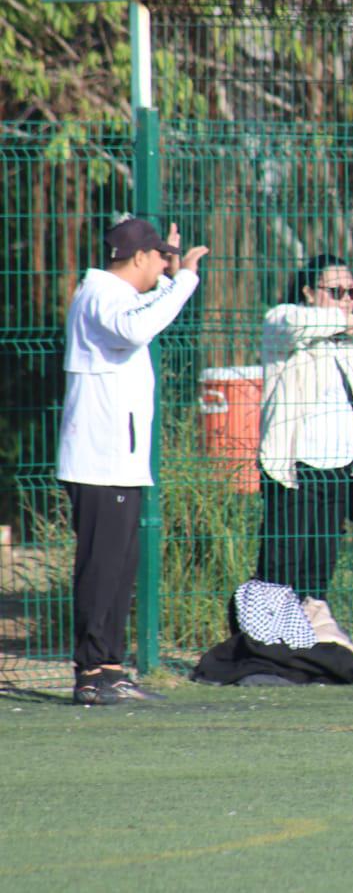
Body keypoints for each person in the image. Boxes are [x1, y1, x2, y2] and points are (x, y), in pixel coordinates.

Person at [57, 217, 209, 705]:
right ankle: (92, 673)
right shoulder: (102, 294)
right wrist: (183, 280)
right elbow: (139, 325)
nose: (165, 264)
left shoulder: (117, 296)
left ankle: (111, 668)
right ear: (138, 257)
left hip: (117, 460)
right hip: (99, 460)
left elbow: (145, 310)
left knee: (119, 568)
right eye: (158, 257)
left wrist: (171, 279)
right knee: (101, 569)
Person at [254, 255, 353, 601]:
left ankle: (307, 639)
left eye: (351, 292)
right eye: (335, 291)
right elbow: (298, 325)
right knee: (279, 567)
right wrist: (347, 323)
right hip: (295, 469)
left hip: (339, 468)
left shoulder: (350, 342)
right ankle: (263, 643)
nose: (346, 300)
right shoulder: (282, 320)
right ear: (308, 291)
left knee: (319, 568)